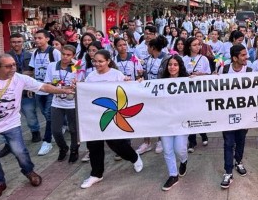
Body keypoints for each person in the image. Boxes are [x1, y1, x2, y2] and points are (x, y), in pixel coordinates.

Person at [0, 54, 73, 200]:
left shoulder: (20, 79)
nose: (13, 68)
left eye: (14, 65)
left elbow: (43, 86)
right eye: (8, 66)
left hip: (11, 123)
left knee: (20, 151)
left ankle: (29, 172)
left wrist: (63, 90)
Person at [80, 50, 144, 188]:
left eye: (101, 61)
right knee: (94, 145)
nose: (97, 64)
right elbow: (85, 93)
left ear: (108, 61)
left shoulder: (116, 74)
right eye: (95, 61)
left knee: (117, 144)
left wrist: (131, 82)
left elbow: (127, 91)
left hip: (114, 115)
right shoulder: (91, 76)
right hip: (95, 116)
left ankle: (134, 157)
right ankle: (96, 174)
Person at [219, 44, 252, 189]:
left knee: (241, 140)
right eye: (243, 55)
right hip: (227, 114)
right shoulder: (224, 69)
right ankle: (228, 171)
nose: (247, 57)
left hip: (244, 114)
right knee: (228, 142)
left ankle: (238, 161)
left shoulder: (250, 70)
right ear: (234, 58)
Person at [44, 45, 84, 163]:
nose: (65, 57)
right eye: (63, 54)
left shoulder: (76, 66)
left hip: (72, 102)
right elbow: (47, 83)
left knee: (73, 129)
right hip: (57, 102)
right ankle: (63, 147)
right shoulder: (52, 66)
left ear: (73, 56)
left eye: (68, 55)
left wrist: (75, 84)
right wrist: (59, 85)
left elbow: (80, 82)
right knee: (55, 130)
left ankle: (74, 150)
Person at [158, 55, 190, 191]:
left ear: (180, 66)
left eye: (175, 64)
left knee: (180, 149)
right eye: (170, 64)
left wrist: (196, 81)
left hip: (182, 121)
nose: (172, 67)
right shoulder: (160, 83)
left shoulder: (187, 81)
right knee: (167, 149)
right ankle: (173, 174)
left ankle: (184, 160)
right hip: (165, 121)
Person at [29, 29, 61, 156]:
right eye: (35, 38)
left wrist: (55, 84)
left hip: (51, 88)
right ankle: (60, 124)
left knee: (49, 114)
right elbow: (31, 70)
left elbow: (63, 67)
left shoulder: (54, 52)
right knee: (45, 113)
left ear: (47, 39)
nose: (37, 40)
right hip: (39, 88)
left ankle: (47, 141)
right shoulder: (35, 53)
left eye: (40, 38)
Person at [184, 36, 212, 151]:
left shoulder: (204, 59)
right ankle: (192, 141)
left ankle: (203, 134)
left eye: (199, 44)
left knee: (200, 114)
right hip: (188, 92)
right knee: (190, 115)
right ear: (189, 47)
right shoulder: (184, 59)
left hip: (200, 91)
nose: (197, 47)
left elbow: (208, 73)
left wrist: (202, 74)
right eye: (194, 45)